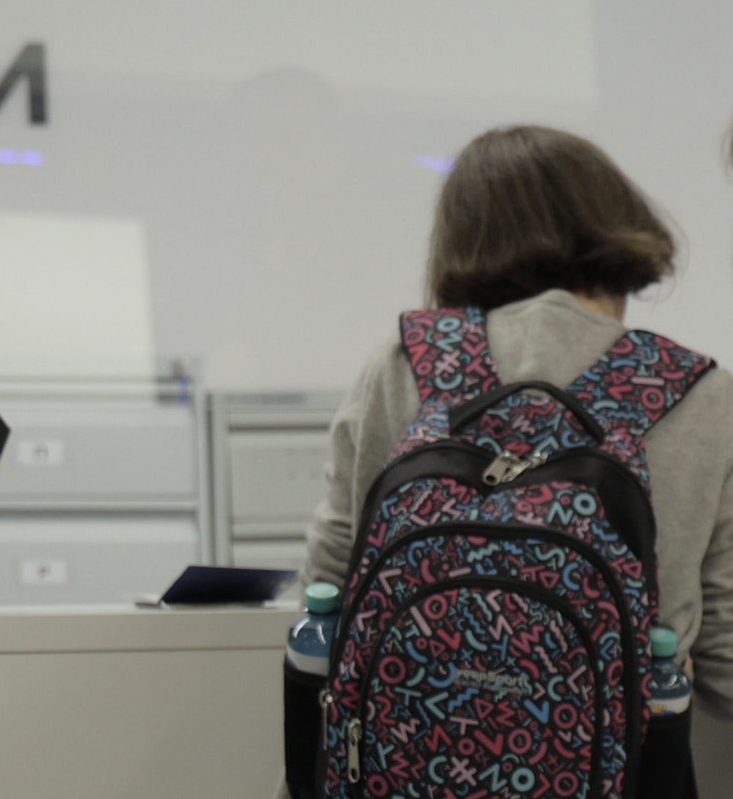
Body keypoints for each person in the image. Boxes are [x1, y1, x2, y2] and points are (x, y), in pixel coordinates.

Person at [280, 124, 733, 799]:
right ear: (621, 228)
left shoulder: (405, 364)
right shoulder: (698, 393)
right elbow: (725, 648)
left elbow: (327, 591)